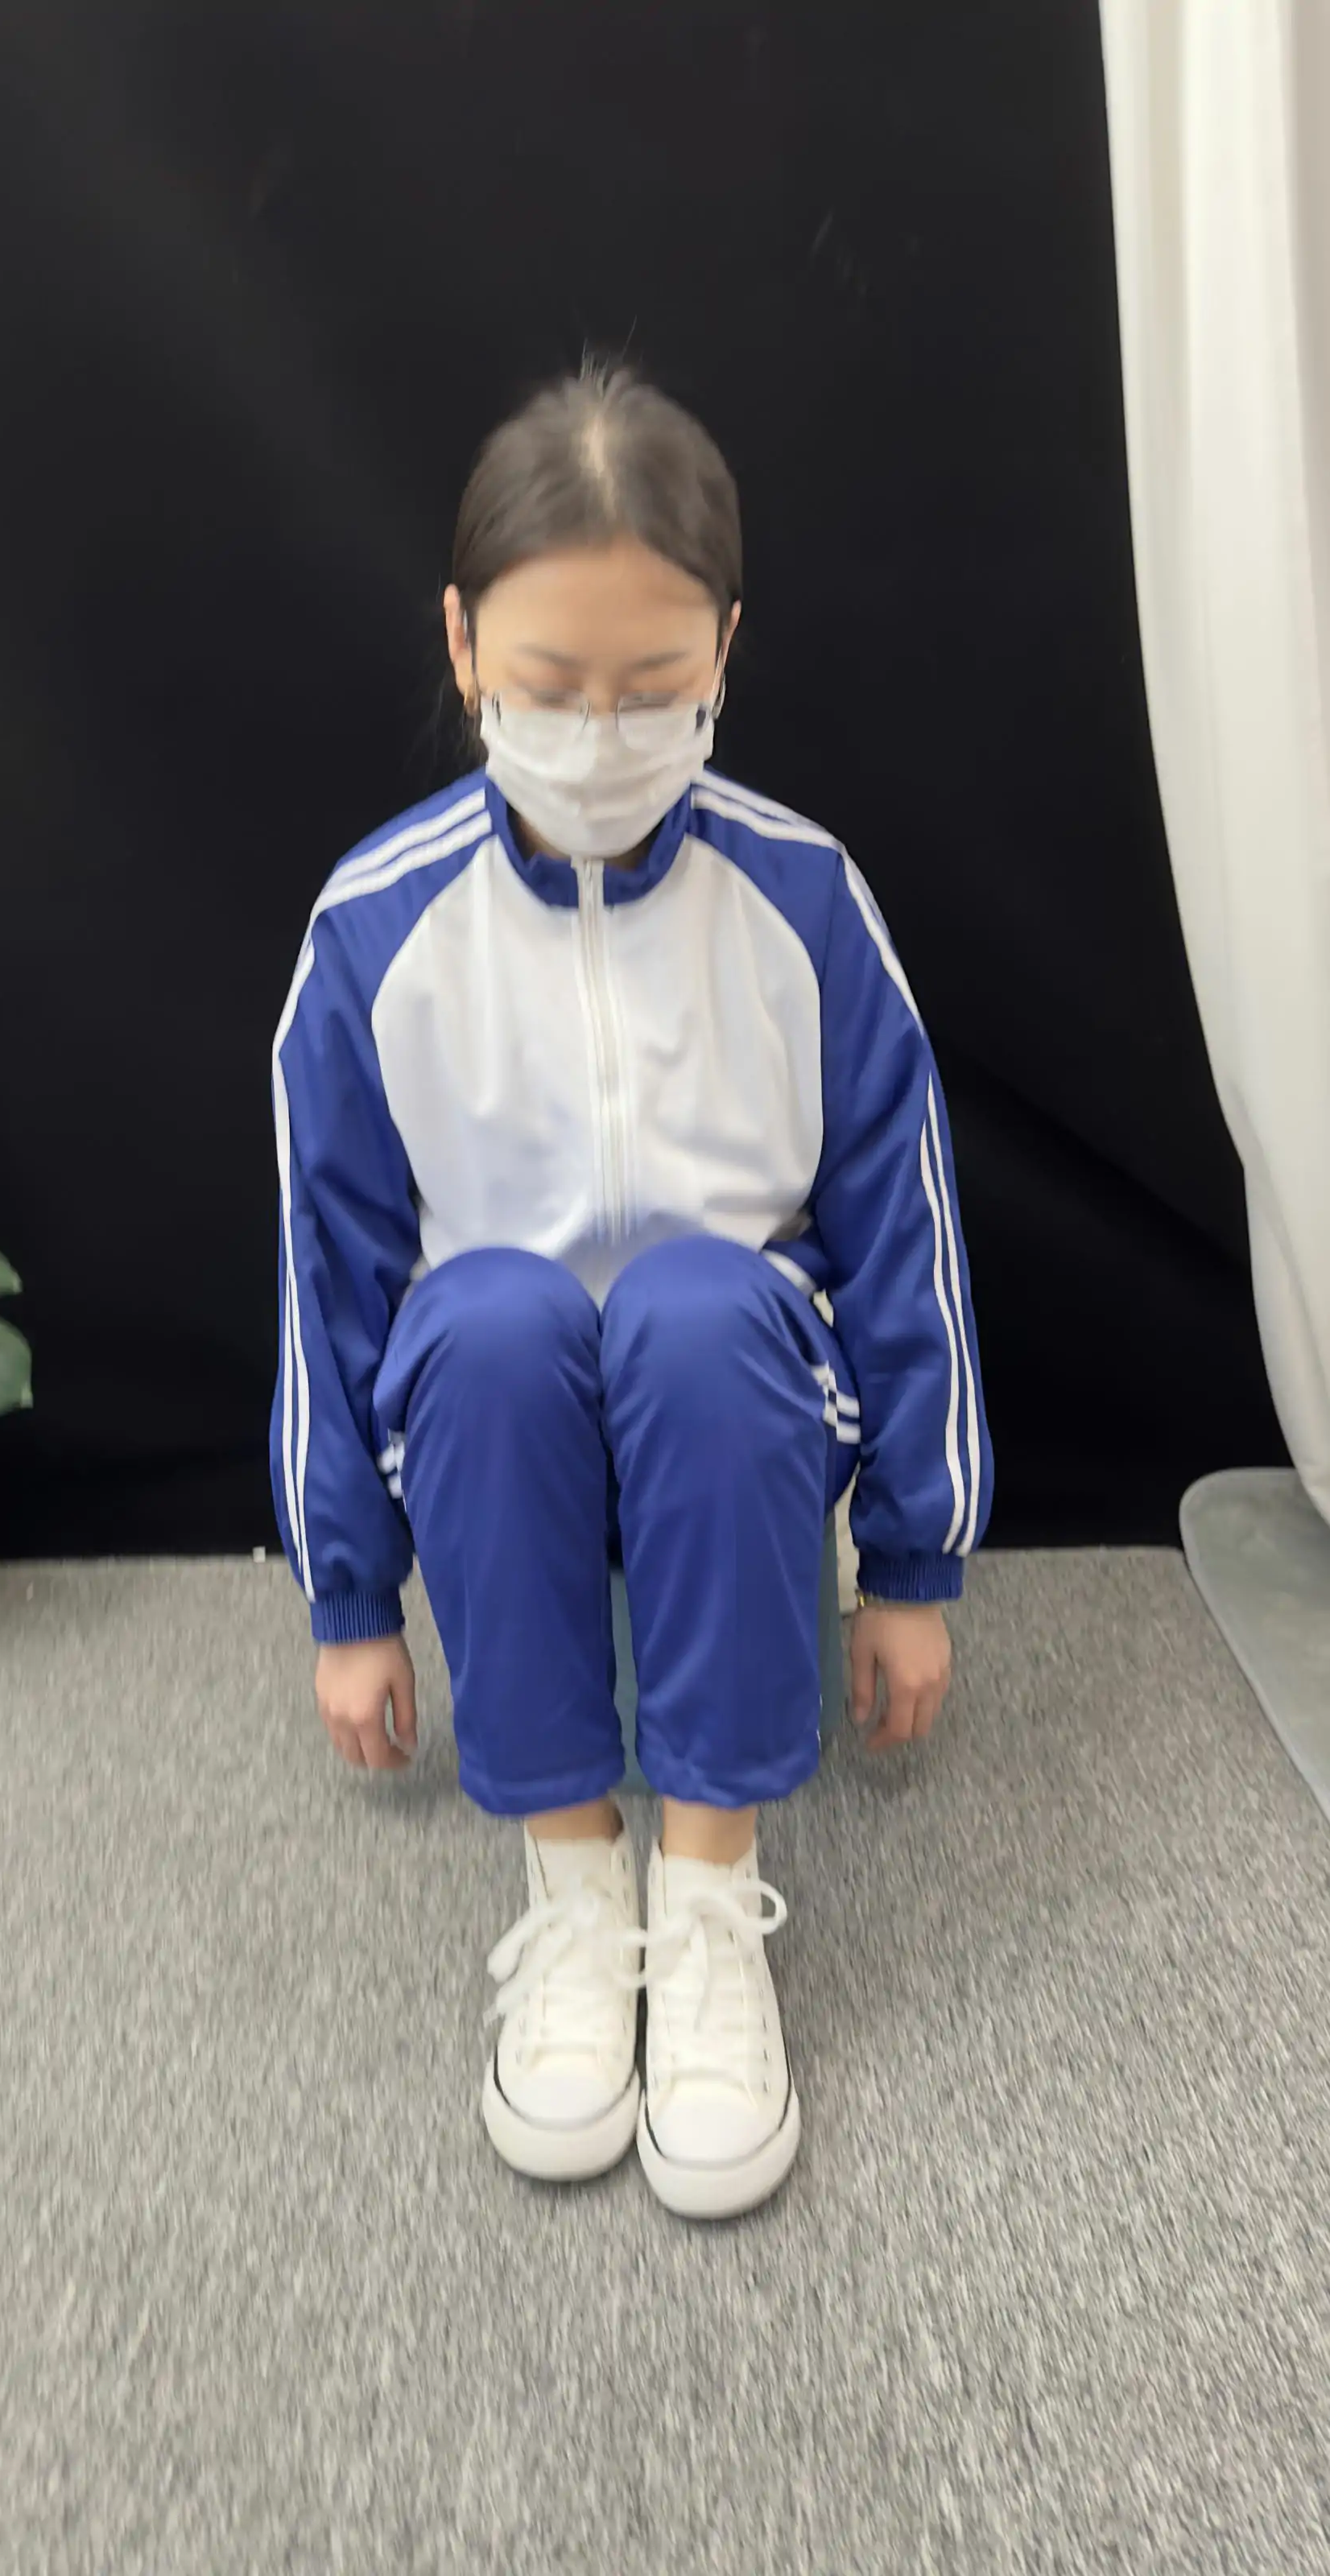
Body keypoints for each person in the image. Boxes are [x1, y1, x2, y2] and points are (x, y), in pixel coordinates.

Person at [270, 362, 992, 2223]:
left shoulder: (802, 900)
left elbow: (900, 1234)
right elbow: (333, 1280)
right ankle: (577, 1888)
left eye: (654, 687)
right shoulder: (376, 927)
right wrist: (350, 1598)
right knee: (490, 1316)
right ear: (462, 643)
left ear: (727, 649)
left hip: (731, 1385)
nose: (600, 736)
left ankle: (708, 1891)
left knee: (691, 1303)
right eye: (550, 683)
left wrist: (914, 1564)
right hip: (496, 1403)